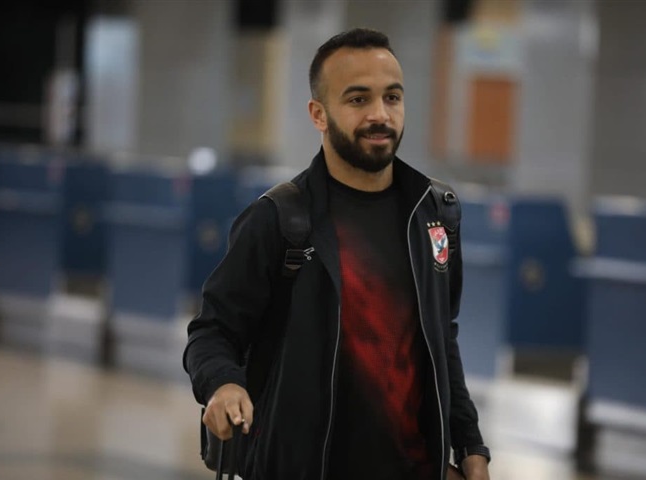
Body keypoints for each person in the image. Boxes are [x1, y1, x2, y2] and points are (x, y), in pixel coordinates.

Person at [183, 28, 491, 480]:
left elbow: (441, 341)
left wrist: (469, 445)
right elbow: (212, 330)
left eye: (392, 97)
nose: (380, 115)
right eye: (358, 99)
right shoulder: (281, 218)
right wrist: (223, 384)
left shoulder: (434, 214)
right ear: (319, 114)